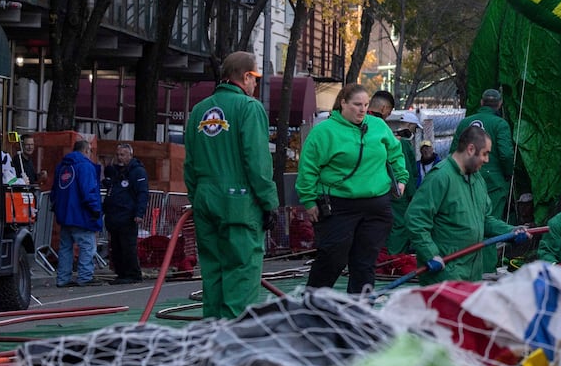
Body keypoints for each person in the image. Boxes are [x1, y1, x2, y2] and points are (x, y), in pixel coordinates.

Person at [184, 52, 281, 317]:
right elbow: (258, 163)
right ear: (246, 77)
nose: (256, 85)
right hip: (239, 202)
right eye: (255, 78)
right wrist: (269, 202)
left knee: (213, 274)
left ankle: (211, 340)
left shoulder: (200, 110)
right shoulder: (249, 108)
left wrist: (199, 196)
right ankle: (234, 344)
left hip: (205, 198)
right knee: (241, 275)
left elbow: (189, 163)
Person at [297, 83, 408, 295]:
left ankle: (360, 311)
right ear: (343, 103)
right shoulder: (324, 132)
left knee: (365, 262)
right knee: (333, 257)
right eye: (357, 105)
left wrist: (401, 179)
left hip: (376, 206)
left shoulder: (378, 126)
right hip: (339, 205)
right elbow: (308, 168)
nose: (363, 109)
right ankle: (312, 304)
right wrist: (309, 200)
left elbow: (395, 154)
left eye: (366, 105)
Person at [405, 125, 526, 283]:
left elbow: (485, 220)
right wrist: (430, 254)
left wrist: (511, 231)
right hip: (445, 274)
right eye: (485, 153)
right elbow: (415, 218)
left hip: (472, 273)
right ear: (470, 149)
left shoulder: (477, 179)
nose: (487, 159)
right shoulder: (440, 177)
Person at [52, 137, 103, 288]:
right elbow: (89, 190)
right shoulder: (85, 166)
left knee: (66, 247)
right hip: (81, 214)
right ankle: (85, 276)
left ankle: (63, 278)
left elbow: (55, 191)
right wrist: (95, 209)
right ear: (86, 150)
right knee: (87, 246)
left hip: (64, 214)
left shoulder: (63, 166)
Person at [455, 89, 515, 216]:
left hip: (466, 178)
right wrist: (508, 173)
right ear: (500, 104)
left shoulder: (465, 123)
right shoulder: (500, 124)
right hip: (494, 181)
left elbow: (453, 152)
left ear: (482, 102)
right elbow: (506, 154)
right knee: (491, 220)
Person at [102, 142, 148, 284]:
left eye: (122, 155)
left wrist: (139, 213)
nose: (119, 158)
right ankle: (121, 273)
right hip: (114, 215)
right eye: (118, 155)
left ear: (130, 155)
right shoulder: (115, 172)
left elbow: (142, 193)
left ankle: (132, 273)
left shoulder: (137, 172)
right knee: (116, 247)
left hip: (127, 215)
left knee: (128, 246)